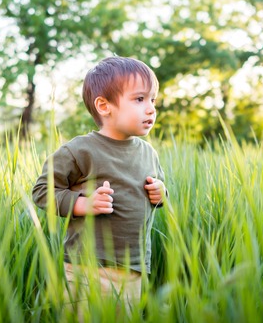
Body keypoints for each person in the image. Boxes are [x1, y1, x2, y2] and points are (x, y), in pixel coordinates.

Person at [32, 56, 167, 315]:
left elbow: (158, 196)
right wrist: (83, 203)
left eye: (153, 100)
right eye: (140, 99)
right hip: (86, 268)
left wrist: (161, 193)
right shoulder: (80, 150)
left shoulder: (148, 153)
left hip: (134, 269)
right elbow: (42, 191)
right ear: (104, 106)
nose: (151, 108)